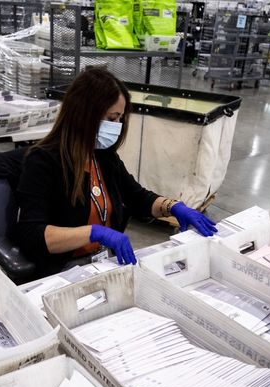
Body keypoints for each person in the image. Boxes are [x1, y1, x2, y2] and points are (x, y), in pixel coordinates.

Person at [11, 69, 217, 277]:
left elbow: (137, 197)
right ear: (84, 114)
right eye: (112, 118)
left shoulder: (103, 156)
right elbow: (32, 235)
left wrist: (173, 207)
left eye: (120, 119)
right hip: (62, 270)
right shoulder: (43, 161)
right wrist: (93, 232)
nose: (117, 126)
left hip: (104, 262)